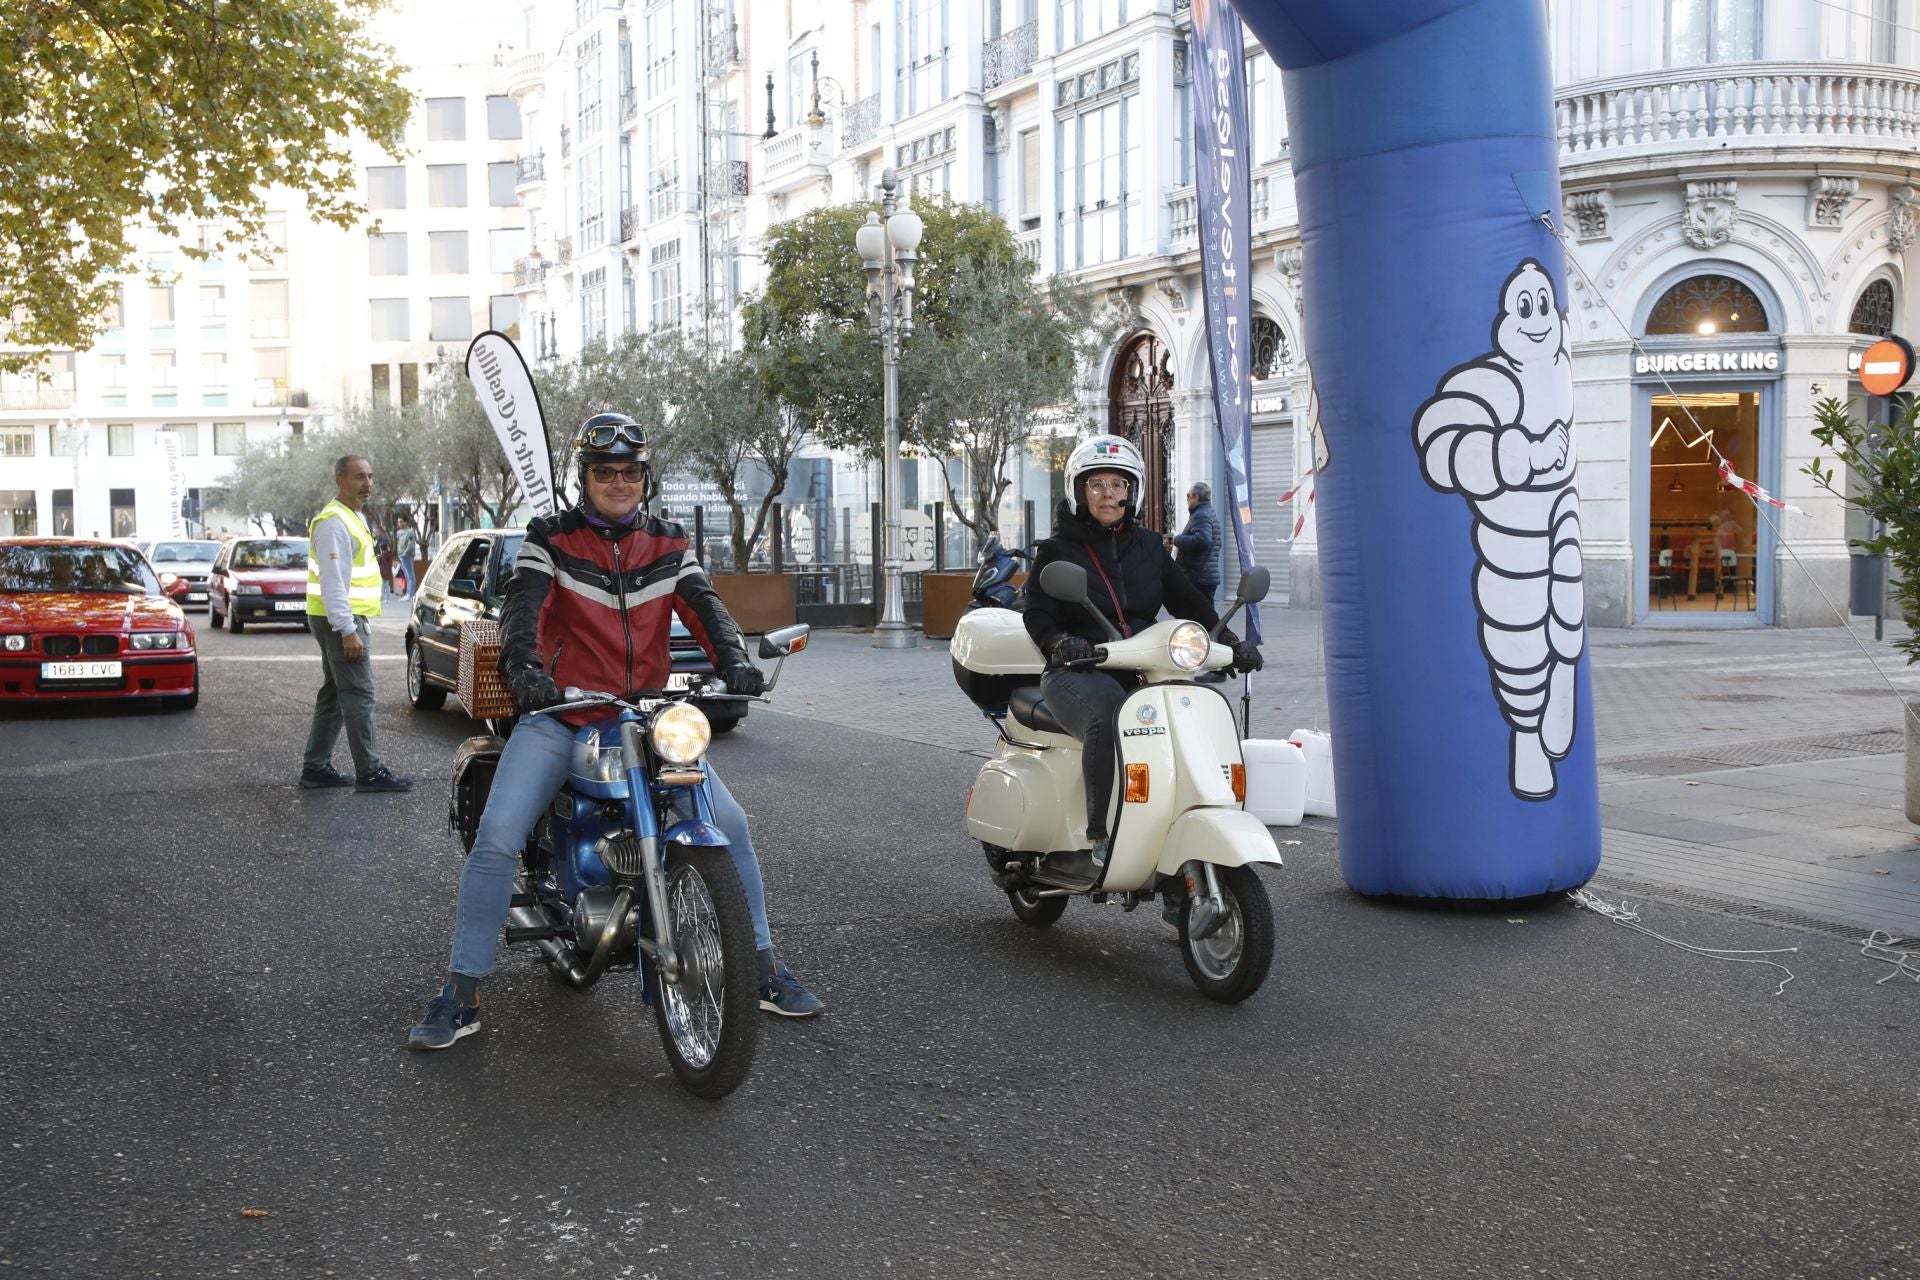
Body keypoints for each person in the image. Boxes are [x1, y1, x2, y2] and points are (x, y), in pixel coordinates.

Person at [408, 413, 822, 1051]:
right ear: (585, 479)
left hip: (645, 715)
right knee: (496, 839)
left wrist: (733, 659)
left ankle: (761, 967)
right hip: (564, 714)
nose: (619, 483)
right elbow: (523, 608)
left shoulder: (668, 542)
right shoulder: (551, 539)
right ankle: (462, 990)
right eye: (605, 473)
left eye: (630, 473)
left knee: (732, 826)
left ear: (645, 479)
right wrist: (523, 671)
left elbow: (706, 607)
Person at [1022, 435, 1262, 880]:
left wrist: (1227, 640)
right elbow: (1037, 612)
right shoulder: (1058, 551)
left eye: (1117, 484)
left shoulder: (1150, 546)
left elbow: (1188, 600)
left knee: (1183, 723)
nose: (1108, 494)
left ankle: (1177, 861)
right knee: (1109, 718)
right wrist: (1059, 643)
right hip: (1079, 668)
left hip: (1145, 664)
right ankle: (1101, 834)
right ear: (1080, 491)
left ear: (1132, 492)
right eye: (1096, 485)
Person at [301, 455, 412, 794]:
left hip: (337, 617)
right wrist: (348, 630)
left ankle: (315, 767)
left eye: (370, 477)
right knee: (360, 694)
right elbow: (334, 582)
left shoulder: (351, 517)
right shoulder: (335, 522)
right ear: (340, 480)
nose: (367, 484)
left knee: (335, 694)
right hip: (342, 620)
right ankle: (371, 772)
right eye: (359, 477)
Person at [1167, 480, 1222, 599]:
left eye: (1188, 496)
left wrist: (1177, 539)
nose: (1187, 500)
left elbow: (1203, 540)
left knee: (1198, 615)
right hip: (1205, 576)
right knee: (1203, 615)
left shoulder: (1201, 515)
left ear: (1196, 497)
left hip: (1199, 578)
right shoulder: (1208, 512)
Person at [395, 519, 420, 596]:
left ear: (406, 522)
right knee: (407, 576)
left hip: (406, 556)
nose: (399, 523)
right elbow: (400, 544)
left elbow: (410, 544)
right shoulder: (399, 533)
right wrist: (399, 555)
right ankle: (408, 593)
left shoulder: (410, 532)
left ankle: (410, 594)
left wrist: (404, 553)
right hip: (401, 556)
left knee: (410, 576)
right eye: (398, 521)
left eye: (401, 521)